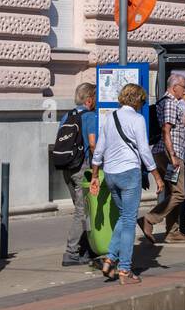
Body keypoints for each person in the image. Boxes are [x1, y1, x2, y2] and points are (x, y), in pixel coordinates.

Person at [89, 83, 165, 285]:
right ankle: (124, 269)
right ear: (138, 100)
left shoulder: (109, 117)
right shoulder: (138, 119)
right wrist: (156, 176)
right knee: (129, 221)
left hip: (111, 174)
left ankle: (110, 259)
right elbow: (144, 151)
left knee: (124, 216)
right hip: (129, 173)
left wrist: (96, 174)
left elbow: (99, 148)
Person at [139, 73, 185, 245]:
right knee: (179, 193)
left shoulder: (176, 103)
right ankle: (149, 219)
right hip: (170, 154)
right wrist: (173, 156)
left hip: (167, 153)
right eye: (184, 87)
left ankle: (173, 232)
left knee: (172, 192)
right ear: (174, 86)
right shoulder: (169, 103)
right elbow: (166, 131)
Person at [58, 82, 99, 266]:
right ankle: (71, 252)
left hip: (67, 168)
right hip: (82, 168)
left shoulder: (67, 115)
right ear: (90, 100)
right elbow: (92, 144)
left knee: (82, 209)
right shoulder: (90, 116)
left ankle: (86, 248)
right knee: (83, 211)